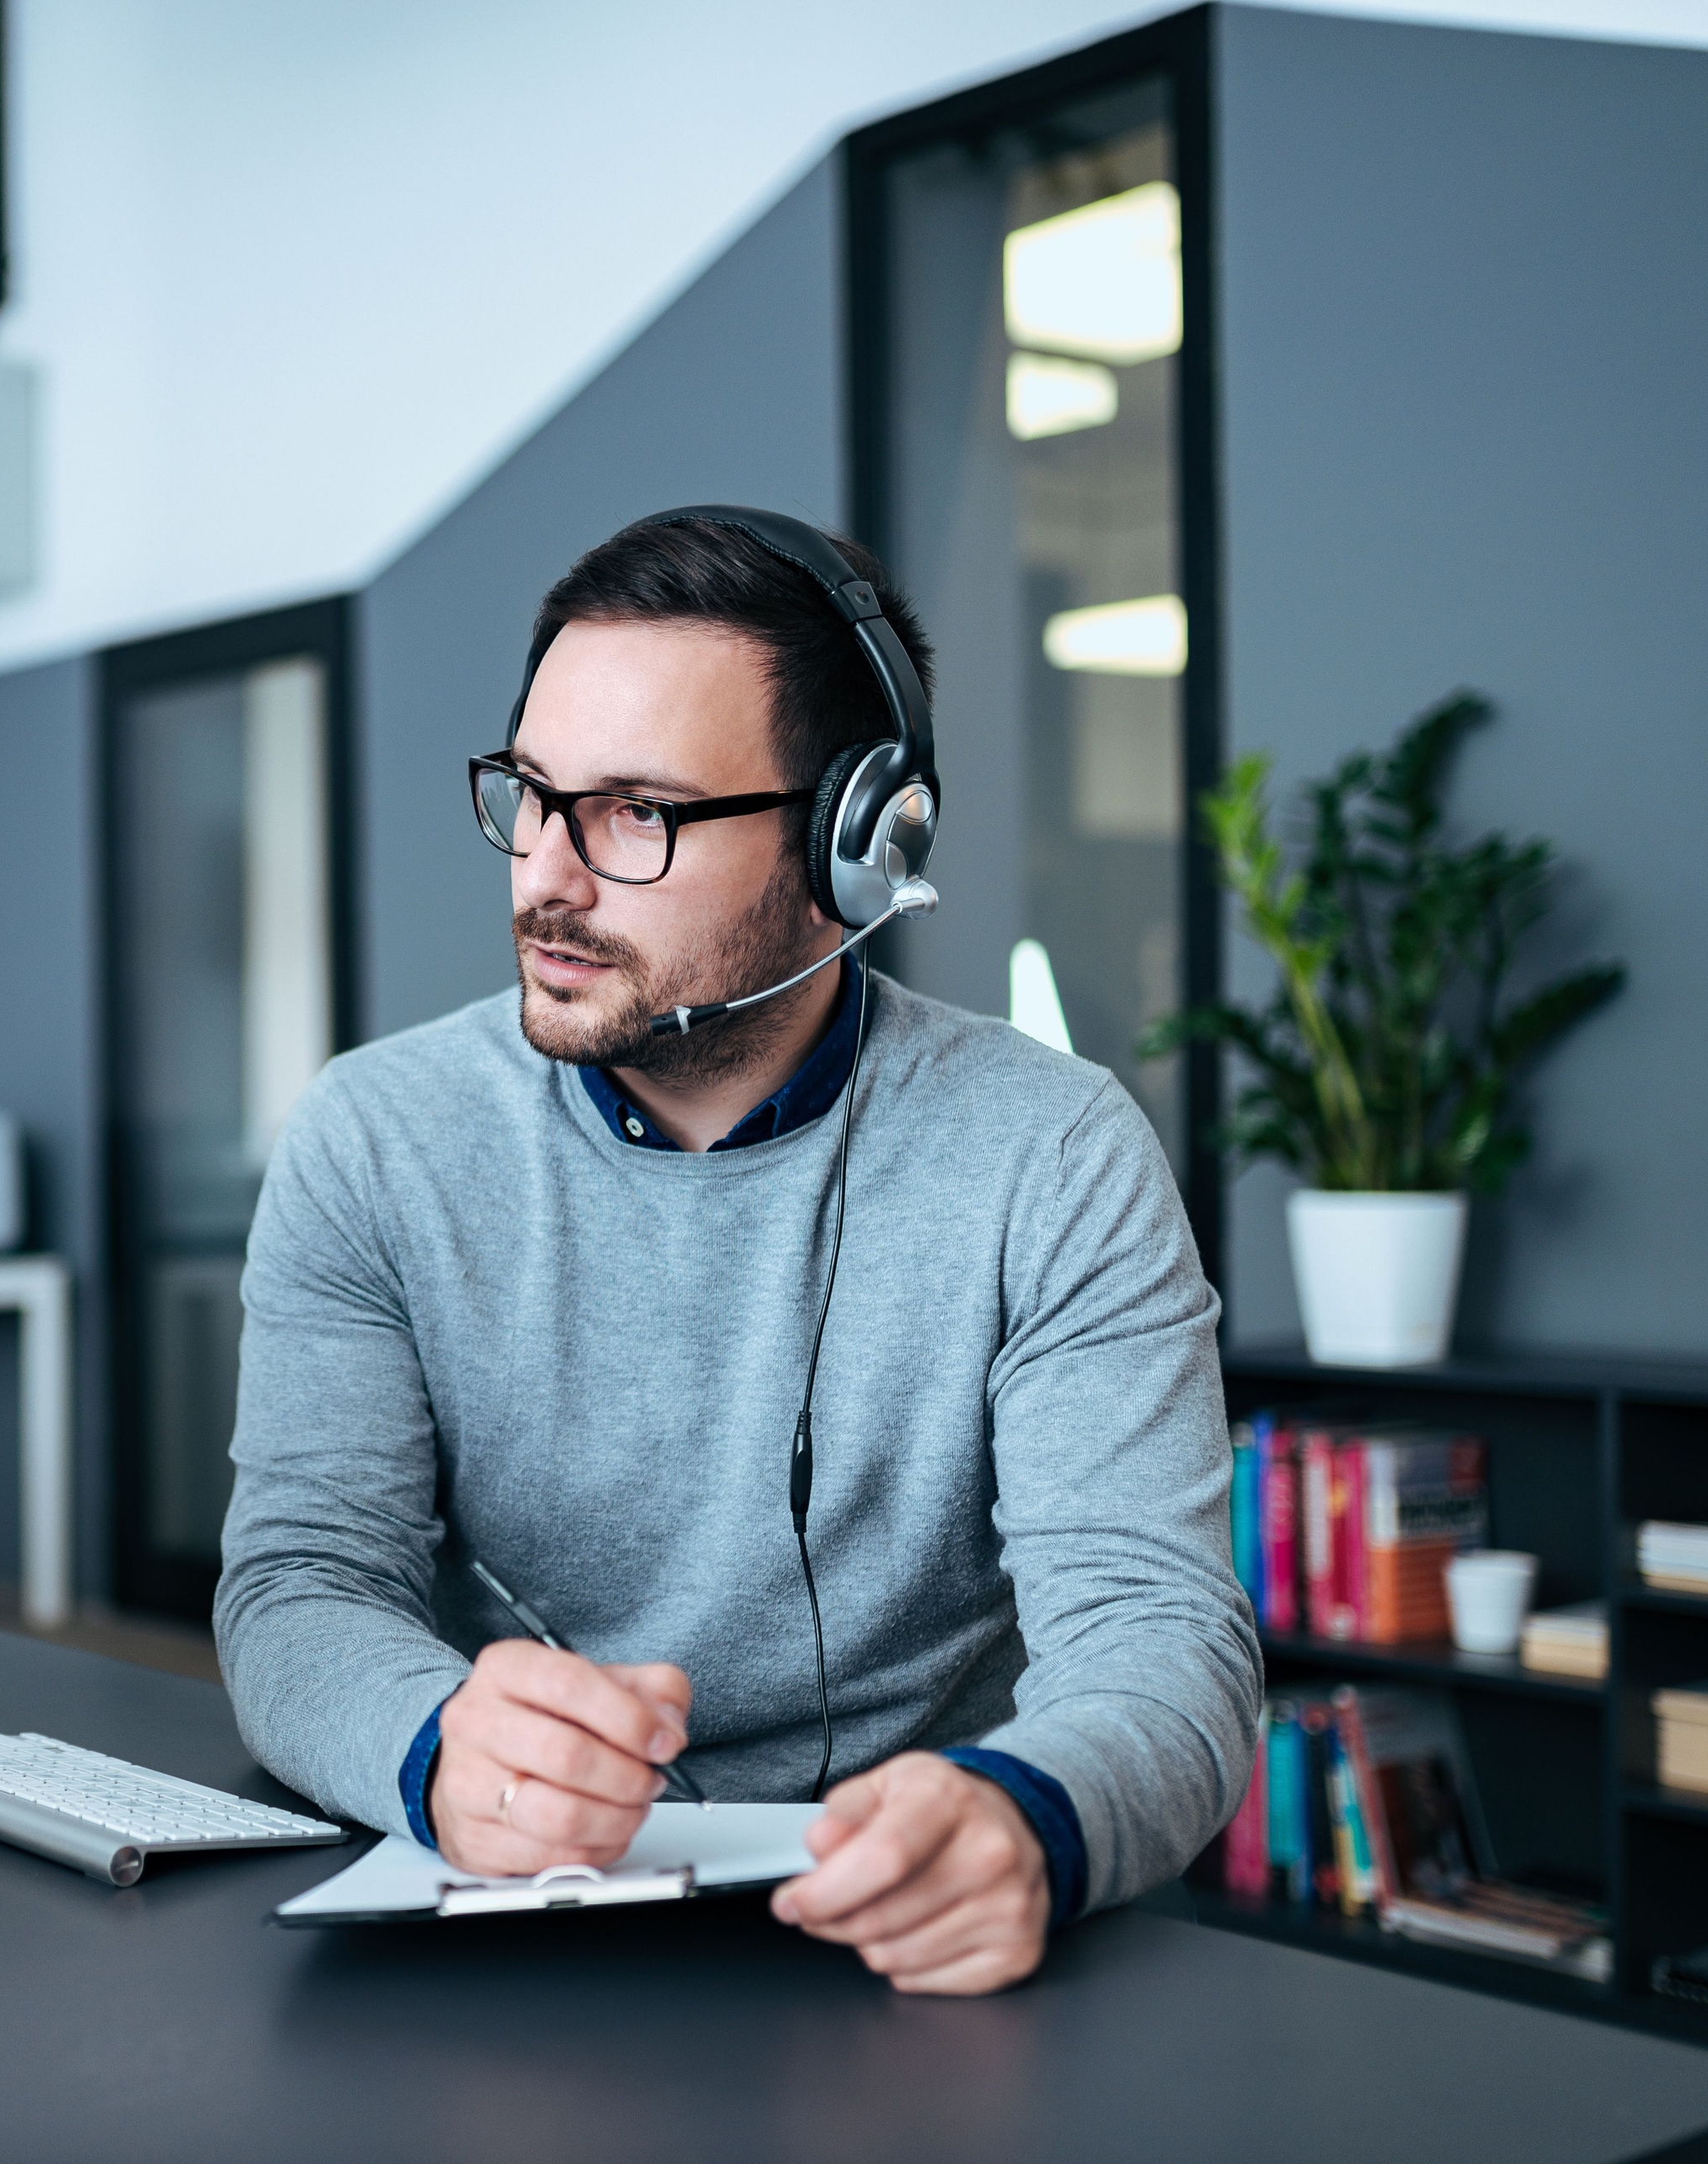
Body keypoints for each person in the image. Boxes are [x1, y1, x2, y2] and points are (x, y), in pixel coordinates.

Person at [213, 509, 1258, 1997]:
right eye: (531, 792)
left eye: (636, 812)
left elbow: (1160, 1633)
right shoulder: (375, 1140)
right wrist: (435, 1745)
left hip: (916, 1939)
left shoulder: (1056, 1155)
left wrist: (1031, 1820)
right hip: (508, 1918)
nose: (546, 878)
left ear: (853, 847)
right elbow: (300, 1583)